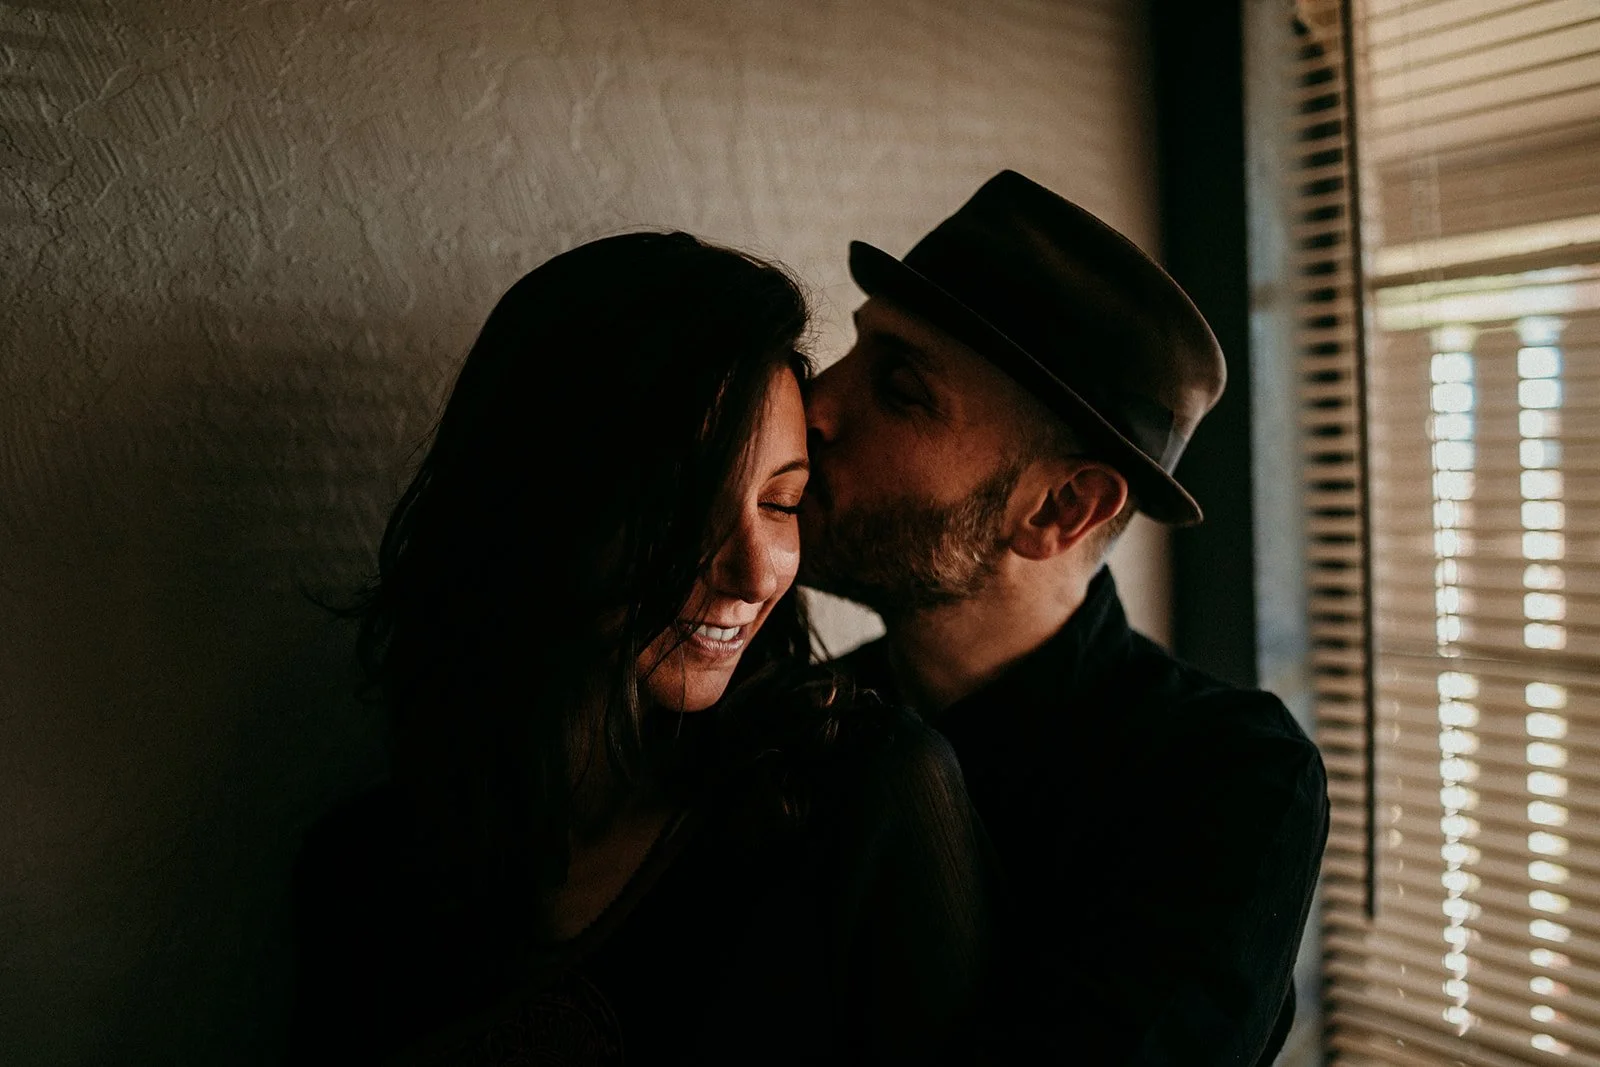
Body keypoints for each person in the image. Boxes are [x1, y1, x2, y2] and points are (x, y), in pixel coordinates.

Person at [289, 231, 994, 1065]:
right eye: (682, 501)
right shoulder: (363, 876)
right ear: (537, 501)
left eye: (781, 502)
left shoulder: (866, 800)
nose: (755, 571)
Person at [800, 170, 1330, 1064]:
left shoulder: (1225, 783)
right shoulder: (801, 721)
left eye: (901, 387)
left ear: (1060, 508)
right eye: (855, 350)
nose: (816, 404)